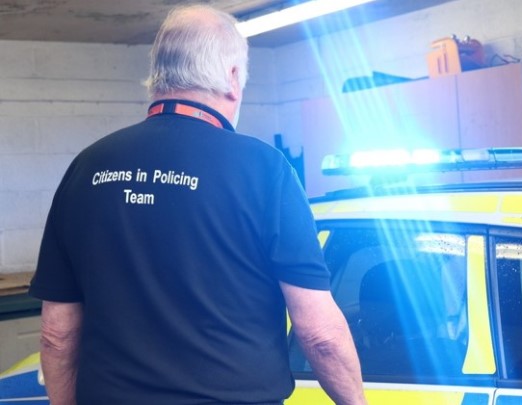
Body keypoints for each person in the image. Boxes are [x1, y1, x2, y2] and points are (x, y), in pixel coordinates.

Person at [29, 4, 366, 405]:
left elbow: (57, 333)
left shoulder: (87, 167)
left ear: (157, 76)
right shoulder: (264, 170)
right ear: (233, 78)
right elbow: (320, 335)